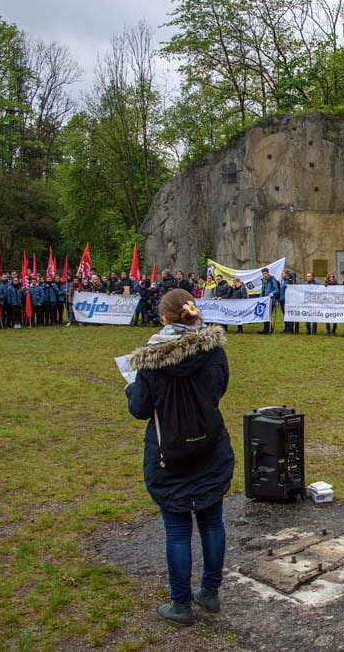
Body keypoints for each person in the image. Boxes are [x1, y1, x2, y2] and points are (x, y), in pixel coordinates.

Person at [124, 289, 233, 627]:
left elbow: (139, 408)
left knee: (177, 531)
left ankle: (183, 603)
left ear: (165, 317)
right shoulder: (212, 350)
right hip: (209, 444)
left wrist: (132, 388)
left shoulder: (152, 359)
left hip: (169, 452)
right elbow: (218, 389)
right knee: (212, 521)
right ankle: (210, 592)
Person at [258, 268, 280, 335]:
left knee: (268, 315)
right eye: (263, 274)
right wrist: (260, 298)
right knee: (266, 315)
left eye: (265, 273)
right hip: (265, 301)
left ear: (268, 273)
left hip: (271, 301)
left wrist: (272, 293)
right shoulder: (263, 280)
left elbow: (277, 290)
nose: (264, 275)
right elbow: (263, 290)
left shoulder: (272, 279)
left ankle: (268, 330)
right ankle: (267, 329)